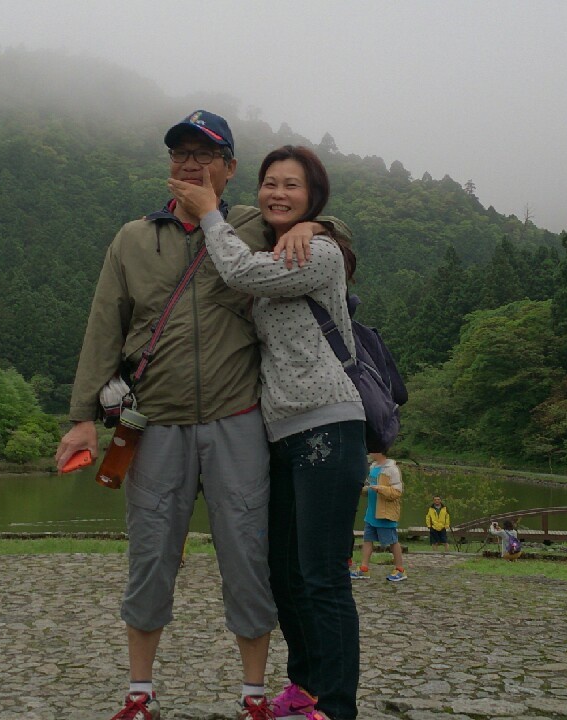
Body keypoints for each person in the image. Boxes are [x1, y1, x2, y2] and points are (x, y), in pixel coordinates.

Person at [54, 111, 343, 720]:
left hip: (238, 419)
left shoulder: (253, 226)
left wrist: (316, 223)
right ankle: (139, 692)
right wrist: (82, 417)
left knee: (248, 556)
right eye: (180, 154)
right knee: (151, 554)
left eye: (204, 155)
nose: (190, 165)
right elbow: (103, 327)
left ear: (229, 168)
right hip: (154, 421)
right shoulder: (133, 238)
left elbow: (331, 238)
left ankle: (253, 696)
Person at [170, 143, 367, 720]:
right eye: (270, 183)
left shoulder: (319, 250)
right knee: (284, 572)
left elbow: (239, 271)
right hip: (280, 433)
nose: (278, 193)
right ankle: (303, 685)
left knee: (323, 575)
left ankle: (335, 705)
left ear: (313, 197)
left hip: (328, 423)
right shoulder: (282, 243)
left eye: (292, 186)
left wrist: (210, 212)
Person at [352, 452, 406, 583]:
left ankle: (400, 570)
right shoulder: (373, 467)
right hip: (371, 513)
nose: (369, 452)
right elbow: (369, 488)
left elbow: (397, 492)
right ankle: (364, 569)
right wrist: (360, 489)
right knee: (367, 540)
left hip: (385, 514)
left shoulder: (392, 469)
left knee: (392, 542)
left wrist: (380, 488)